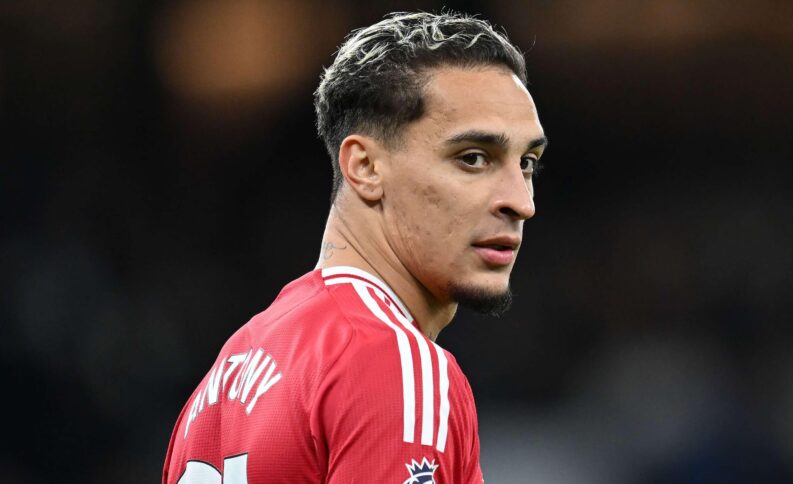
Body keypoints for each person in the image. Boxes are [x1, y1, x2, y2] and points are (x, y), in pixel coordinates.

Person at [162, 11, 546, 483]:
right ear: (364, 167)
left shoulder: (224, 379)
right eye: (472, 158)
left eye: (527, 163)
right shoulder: (395, 365)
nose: (521, 202)